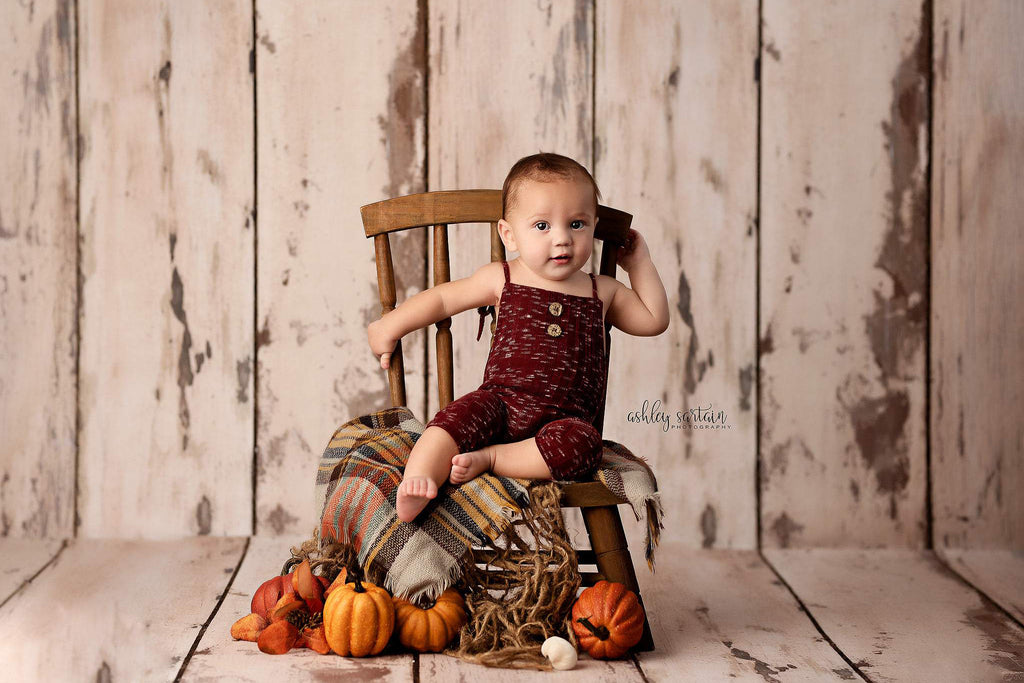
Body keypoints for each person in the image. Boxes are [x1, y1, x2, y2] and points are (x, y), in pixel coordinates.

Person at [368, 153, 670, 522]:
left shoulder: (601, 290)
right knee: (455, 418)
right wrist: (389, 326)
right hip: (500, 404)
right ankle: (418, 479)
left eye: (577, 224)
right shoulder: (503, 277)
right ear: (509, 234)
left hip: (563, 424)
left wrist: (639, 263)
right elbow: (444, 298)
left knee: (585, 444)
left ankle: (491, 459)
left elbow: (653, 320)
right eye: (542, 226)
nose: (562, 239)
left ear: (592, 227)